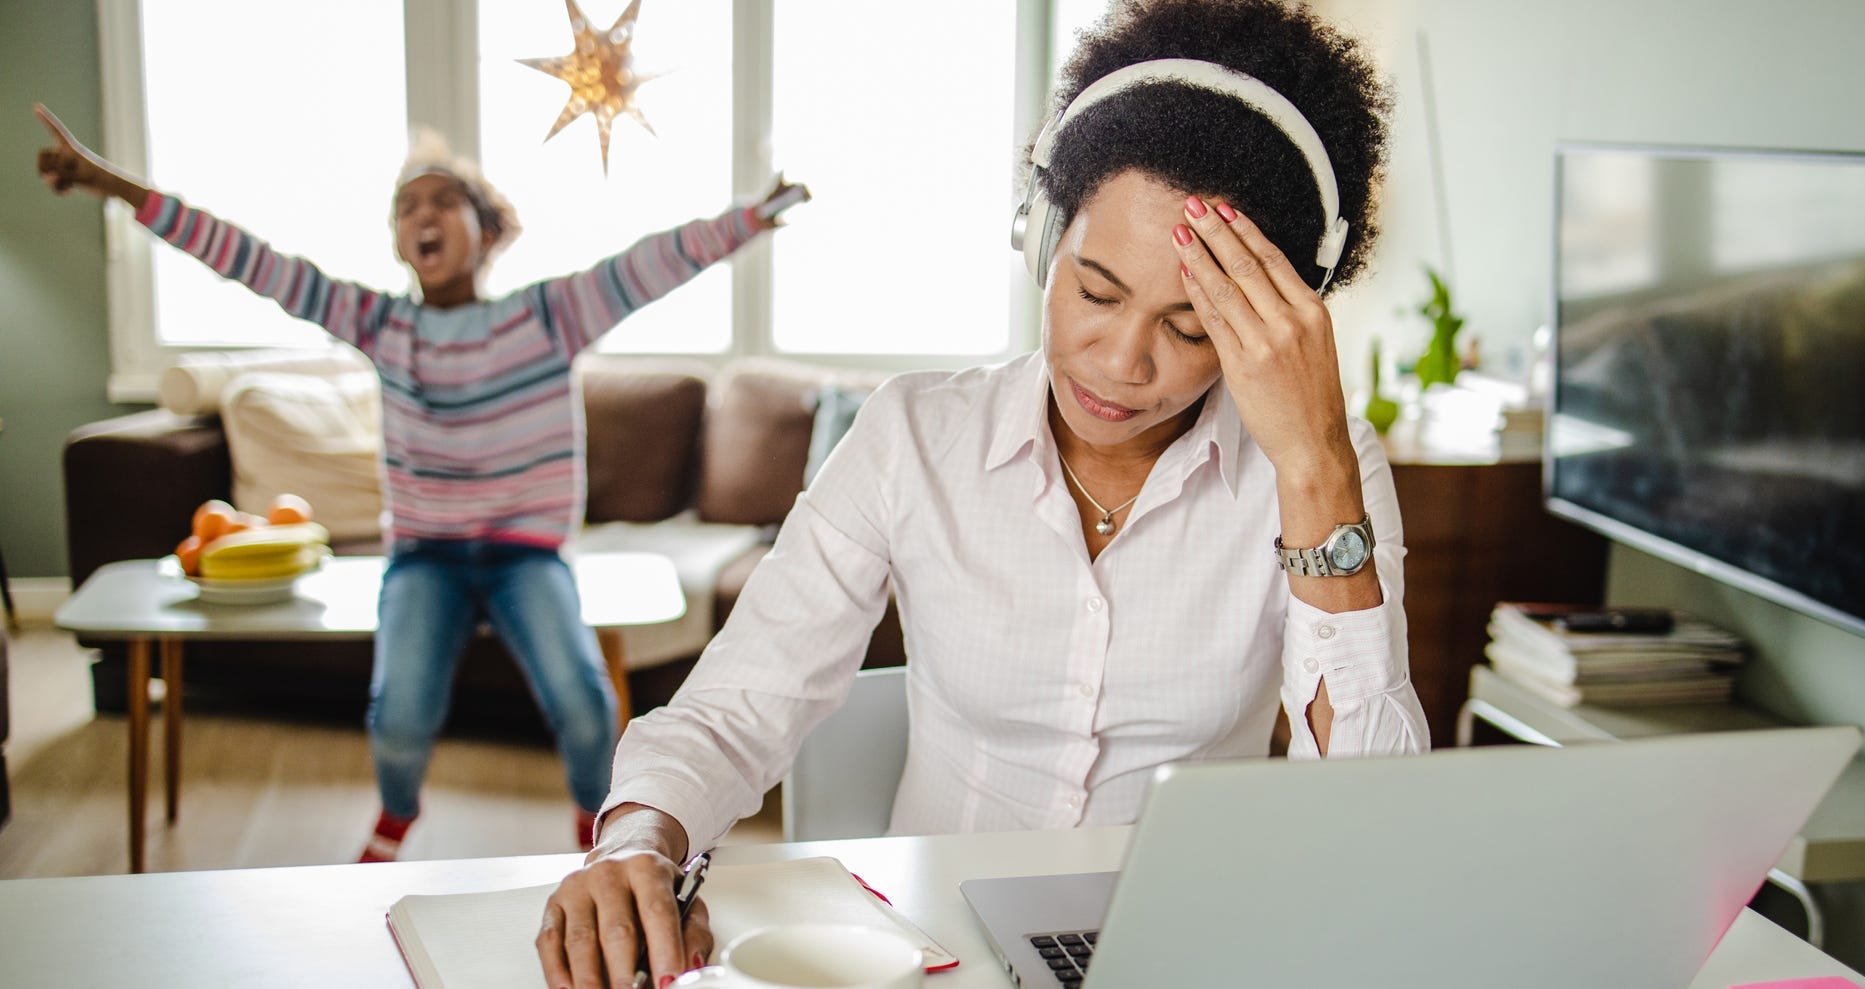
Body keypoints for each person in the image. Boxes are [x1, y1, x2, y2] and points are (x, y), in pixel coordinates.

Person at [541, 0, 1428, 983]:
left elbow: (1371, 824)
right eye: (1094, 290)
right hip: (928, 949)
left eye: (1189, 328)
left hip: (1177, 946)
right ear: (1041, 238)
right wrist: (634, 840)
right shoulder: (913, 435)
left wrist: (1311, 469)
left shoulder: (1321, 468)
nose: (1121, 362)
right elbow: (737, 704)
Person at [33, 107, 802, 862]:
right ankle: (398, 812)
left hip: (524, 556)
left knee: (583, 701)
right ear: (401, 242)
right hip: (425, 557)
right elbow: (249, 260)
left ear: (488, 229)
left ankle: (593, 820)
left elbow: (655, 263)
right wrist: (115, 187)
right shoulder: (378, 323)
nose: (421, 215)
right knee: (397, 717)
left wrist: (750, 218)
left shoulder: (548, 316)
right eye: (406, 207)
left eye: (442, 200)